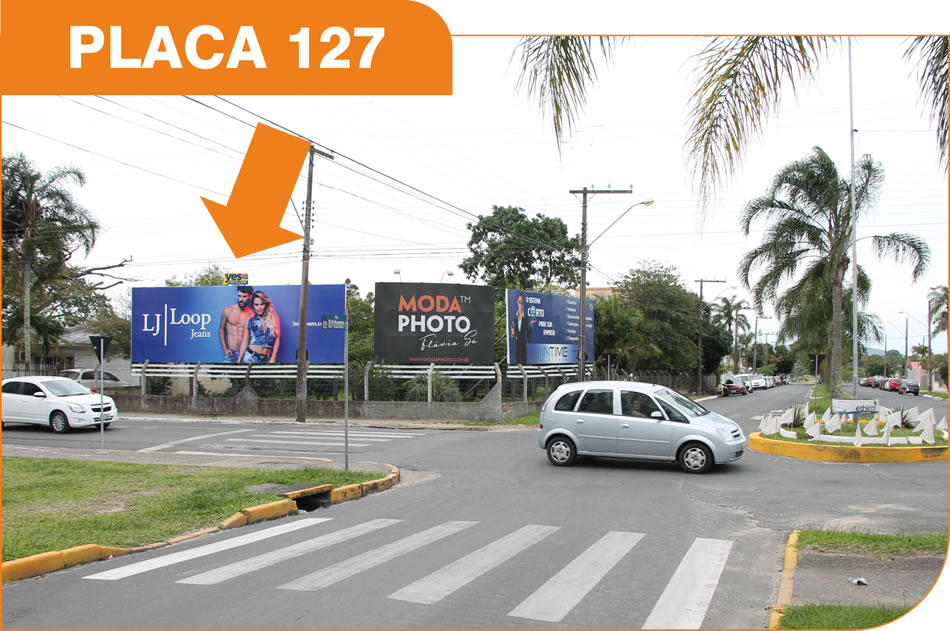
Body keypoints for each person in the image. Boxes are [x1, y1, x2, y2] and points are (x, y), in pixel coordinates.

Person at [239, 290, 281, 364]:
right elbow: (245, 342)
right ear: (253, 305)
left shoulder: (274, 318)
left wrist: (273, 358)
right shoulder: (250, 321)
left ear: (266, 304)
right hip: (250, 358)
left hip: (267, 359)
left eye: (261, 304)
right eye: (256, 304)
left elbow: (277, 339)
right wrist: (238, 360)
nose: (259, 307)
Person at [219, 286, 253, 363]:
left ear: (250, 296)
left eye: (244, 296)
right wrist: (225, 349)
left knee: (246, 374)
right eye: (239, 296)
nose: (241, 299)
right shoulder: (228, 311)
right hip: (231, 353)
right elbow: (221, 330)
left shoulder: (252, 315)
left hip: (246, 353)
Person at [510, 292, 535, 365]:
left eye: (522, 303)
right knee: (517, 363)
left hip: (523, 345)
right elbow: (513, 334)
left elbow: (528, 334)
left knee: (524, 362)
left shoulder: (526, 317)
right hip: (517, 345)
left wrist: (531, 325)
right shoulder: (514, 317)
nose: (520, 305)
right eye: (519, 302)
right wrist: (513, 334)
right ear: (517, 303)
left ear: (524, 304)